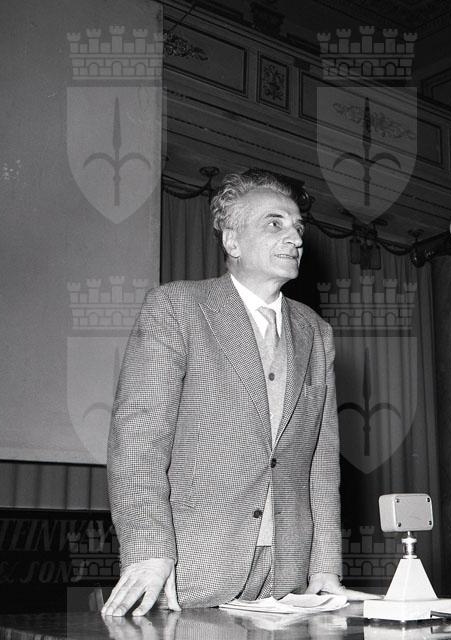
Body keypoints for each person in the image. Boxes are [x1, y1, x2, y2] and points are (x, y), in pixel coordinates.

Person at [102, 169, 343, 616]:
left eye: (298, 226)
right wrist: (149, 550)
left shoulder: (316, 331)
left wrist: (324, 565)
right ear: (232, 241)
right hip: (189, 570)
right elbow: (138, 441)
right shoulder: (177, 307)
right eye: (275, 224)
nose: (295, 238)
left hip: (288, 578)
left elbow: (321, 462)